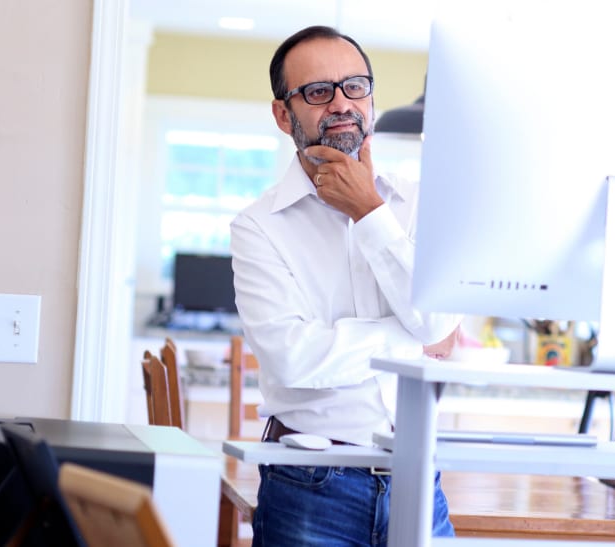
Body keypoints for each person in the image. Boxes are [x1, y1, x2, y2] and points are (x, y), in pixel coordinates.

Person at [230, 25, 462, 546]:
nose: (341, 103)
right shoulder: (258, 226)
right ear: (283, 114)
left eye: (355, 86)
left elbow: (437, 321)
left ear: (372, 99)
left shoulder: (421, 205)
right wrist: (415, 344)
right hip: (311, 486)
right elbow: (293, 358)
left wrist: (369, 211)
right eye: (318, 92)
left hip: (420, 479)